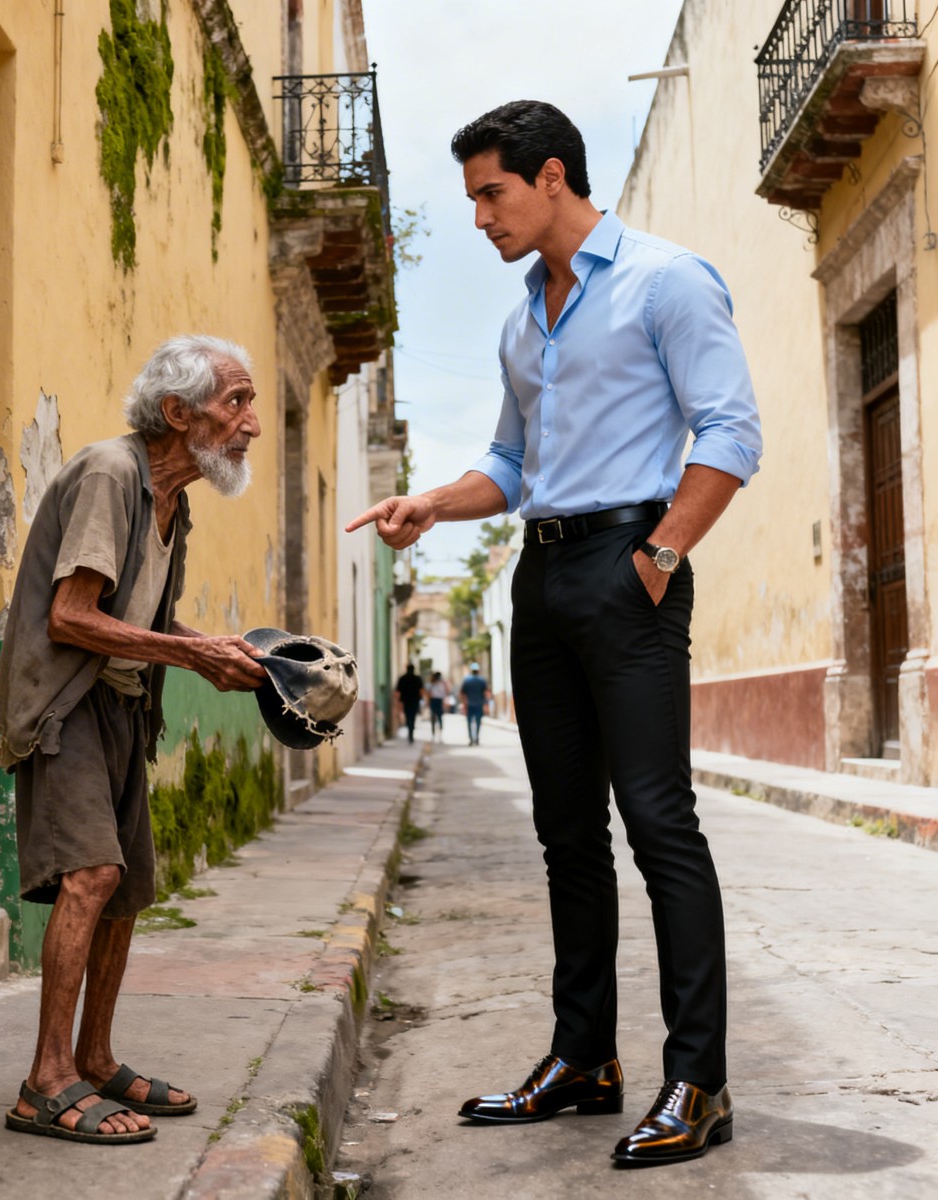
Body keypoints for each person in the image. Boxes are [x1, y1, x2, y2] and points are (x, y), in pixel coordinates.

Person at [346, 101, 762, 1168]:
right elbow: (515, 466)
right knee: (565, 831)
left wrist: (660, 558)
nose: (481, 217)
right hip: (542, 576)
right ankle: (585, 1059)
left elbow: (728, 429)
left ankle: (699, 1079)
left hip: (630, 567)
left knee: (658, 822)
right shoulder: (522, 320)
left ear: (554, 176)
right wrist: (433, 504)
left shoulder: (668, 281)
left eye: (493, 193)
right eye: (475, 197)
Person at [0, 335, 268, 1144]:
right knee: (92, 875)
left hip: (122, 706)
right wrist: (190, 653)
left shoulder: (174, 500)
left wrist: (214, 652)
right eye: (236, 402)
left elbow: (138, 619)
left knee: (124, 888)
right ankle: (44, 1082)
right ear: (178, 414)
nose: (249, 424)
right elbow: (70, 616)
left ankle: (95, 1060)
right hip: (66, 702)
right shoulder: (112, 472)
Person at [459, 663, 491, 745]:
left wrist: (463, 703)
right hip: (479, 704)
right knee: (478, 722)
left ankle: (470, 739)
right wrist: (486, 704)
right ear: (478, 670)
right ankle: (476, 738)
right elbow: (485, 693)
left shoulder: (467, 680)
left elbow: (462, 693)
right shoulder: (482, 680)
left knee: (469, 722)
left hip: (469, 704)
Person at [394, 663, 425, 743]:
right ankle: (411, 731)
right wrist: (421, 698)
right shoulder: (418, 678)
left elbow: (398, 691)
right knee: (413, 716)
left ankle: (410, 730)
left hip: (405, 701)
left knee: (408, 716)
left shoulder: (403, 678)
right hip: (415, 701)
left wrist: (397, 702)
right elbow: (421, 690)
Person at [426, 670, 449, 740]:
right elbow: (446, 692)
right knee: (438, 717)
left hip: (436, 701)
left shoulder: (434, 683)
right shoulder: (437, 683)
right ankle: (438, 732)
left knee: (436, 717)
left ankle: (435, 732)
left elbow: (429, 693)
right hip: (438, 701)